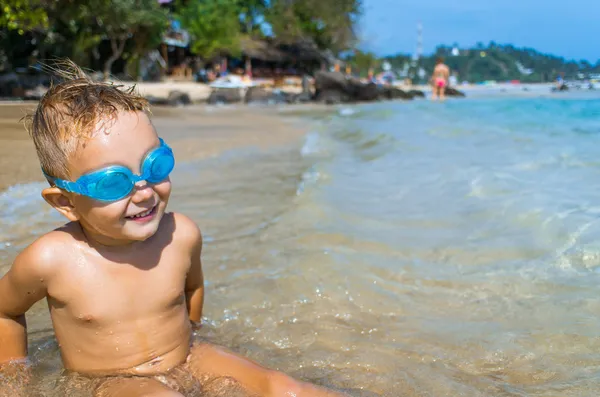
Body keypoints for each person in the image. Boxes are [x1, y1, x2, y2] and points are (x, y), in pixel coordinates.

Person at [0, 62, 348, 397]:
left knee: (284, 387)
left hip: (188, 356)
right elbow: (5, 309)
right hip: (112, 380)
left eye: (155, 165)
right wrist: (14, 373)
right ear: (65, 202)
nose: (145, 191)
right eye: (113, 183)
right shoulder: (51, 260)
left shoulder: (181, 234)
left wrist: (195, 332)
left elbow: (192, 287)